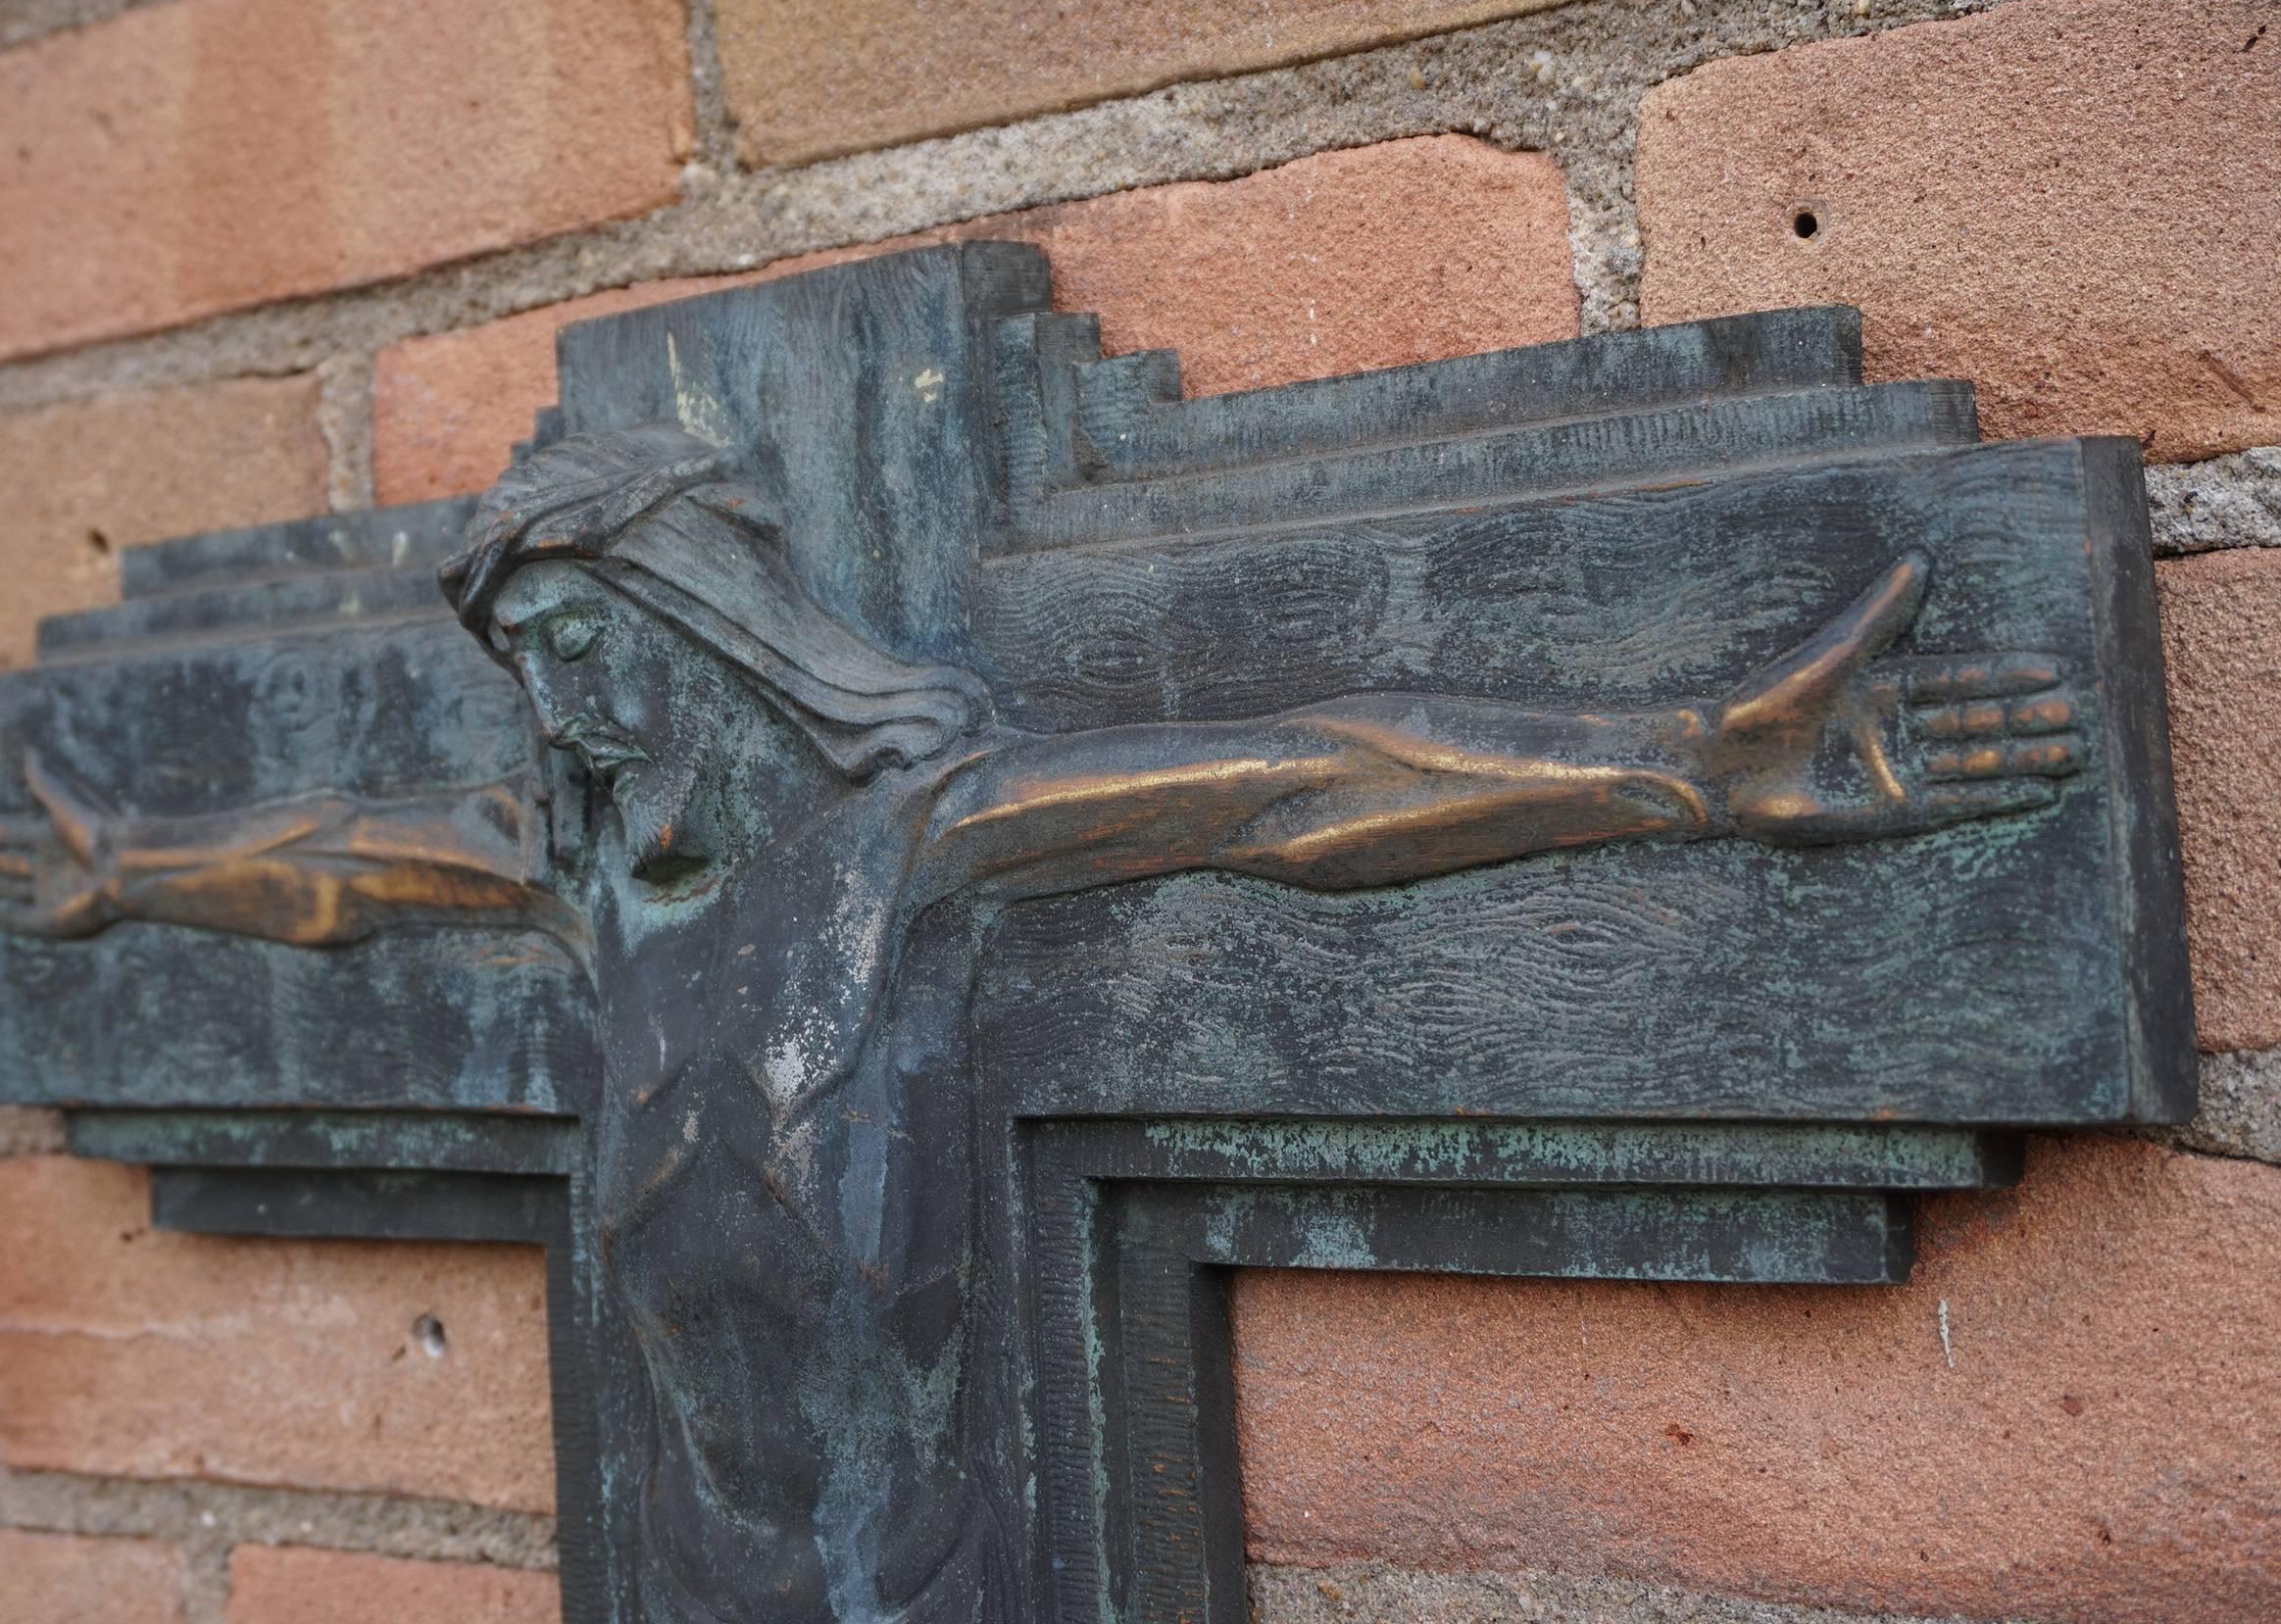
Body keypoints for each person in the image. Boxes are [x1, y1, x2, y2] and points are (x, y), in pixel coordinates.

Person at [429, 417, 2082, 1622]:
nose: (566, 717)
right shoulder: (588, 904)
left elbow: (1287, 786)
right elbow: (304, 866)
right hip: (688, 1576)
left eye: (582, 647)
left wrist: (1696, 761)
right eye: (530, 675)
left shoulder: (898, 856)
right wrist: (147, 859)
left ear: (707, 627)